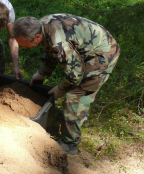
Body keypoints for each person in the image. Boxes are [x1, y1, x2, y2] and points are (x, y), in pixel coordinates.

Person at [12, 14, 120, 155]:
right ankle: (67, 120)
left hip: (103, 54)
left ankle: (70, 143)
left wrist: (60, 89)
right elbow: (50, 50)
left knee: (75, 95)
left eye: (25, 44)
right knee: (72, 92)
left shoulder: (59, 42)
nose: (24, 48)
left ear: (37, 37)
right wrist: (42, 73)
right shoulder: (42, 25)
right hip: (89, 45)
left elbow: (75, 75)